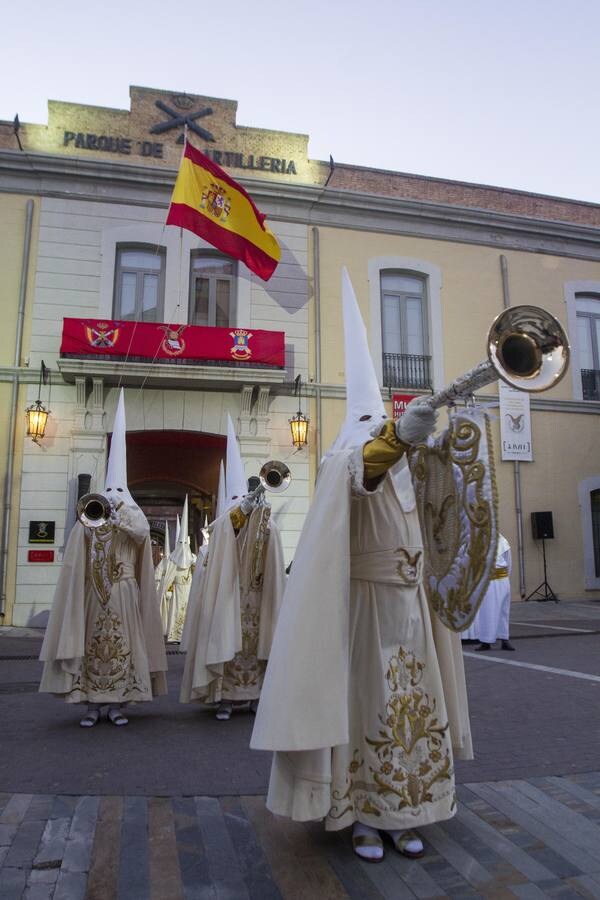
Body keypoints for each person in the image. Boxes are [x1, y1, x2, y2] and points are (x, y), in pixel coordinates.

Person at [251, 269, 474, 862]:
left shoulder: (413, 464)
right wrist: (396, 435)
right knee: (364, 705)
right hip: (363, 612)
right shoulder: (349, 460)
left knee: (416, 707)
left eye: (390, 425)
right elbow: (367, 468)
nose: (384, 433)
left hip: (413, 612)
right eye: (375, 426)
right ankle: (362, 817)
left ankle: (410, 807)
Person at [39, 389, 168, 727]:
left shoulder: (132, 514)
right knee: (92, 643)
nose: (110, 498)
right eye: (107, 493)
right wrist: (96, 518)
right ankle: (92, 703)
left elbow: (141, 534)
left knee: (124, 643)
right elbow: (77, 552)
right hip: (94, 595)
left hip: (124, 591)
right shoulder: (89, 517)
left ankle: (118, 703)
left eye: (117, 492)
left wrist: (120, 514)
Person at [180, 415, 286, 720]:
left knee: (256, 645)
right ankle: (225, 696)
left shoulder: (267, 521)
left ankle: (255, 695)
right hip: (229, 594)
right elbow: (222, 532)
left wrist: (260, 518)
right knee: (227, 641)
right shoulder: (227, 520)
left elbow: (272, 546)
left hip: (256, 594)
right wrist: (242, 513)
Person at [463, 534, 515, 651]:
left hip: (502, 580)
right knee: (487, 612)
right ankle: (486, 641)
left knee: (503, 611)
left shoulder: (502, 540)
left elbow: (508, 561)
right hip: (487, 582)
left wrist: (505, 577)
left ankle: (504, 639)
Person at [162, 497, 195, 643]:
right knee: (176, 611)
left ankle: (186, 635)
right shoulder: (173, 559)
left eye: (184, 542)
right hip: (177, 589)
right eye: (180, 543)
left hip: (188, 590)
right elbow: (167, 576)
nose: (182, 546)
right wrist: (165, 589)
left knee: (187, 612)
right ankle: (174, 635)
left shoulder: (193, 558)